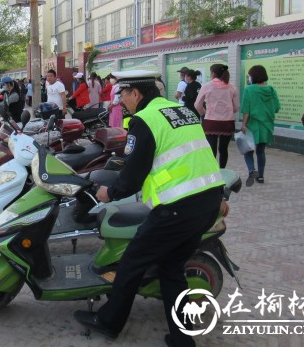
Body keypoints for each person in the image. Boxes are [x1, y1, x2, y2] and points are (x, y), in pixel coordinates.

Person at [74, 70, 224, 347]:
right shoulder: (180, 110)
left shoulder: (145, 119)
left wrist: (111, 193)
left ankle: (109, 322)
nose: (120, 101)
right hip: (208, 200)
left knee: (131, 263)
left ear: (136, 93)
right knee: (171, 267)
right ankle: (182, 337)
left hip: (178, 207)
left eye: (123, 95)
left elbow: (133, 174)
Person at [241, 65, 280, 186]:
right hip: (266, 126)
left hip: (252, 126)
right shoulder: (272, 90)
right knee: (261, 151)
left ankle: (252, 170)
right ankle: (261, 177)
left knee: (247, 151)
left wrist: (243, 124)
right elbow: (277, 108)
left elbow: (246, 110)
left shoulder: (249, 90)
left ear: (253, 77)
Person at [194, 64, 239, 168]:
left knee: (211, 148)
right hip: (227, 122)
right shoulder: (232, 87)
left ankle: (213, 172)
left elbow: (197, 105)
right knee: (224, 149)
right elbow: (236, 107)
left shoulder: (207, 86)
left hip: (211, 121)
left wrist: (204, 113)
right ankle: (223, 170)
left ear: (213, 73)